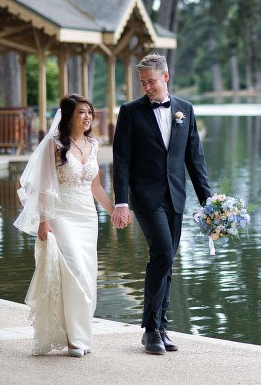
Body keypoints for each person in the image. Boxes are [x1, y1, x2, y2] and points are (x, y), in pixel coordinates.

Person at [111, 53, 211, 355]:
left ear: (165, 77)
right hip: (145, 198)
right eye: (142, 83)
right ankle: (150, 329)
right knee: (163, 253)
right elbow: (122, 160)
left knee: (168, 261)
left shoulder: (186, 110)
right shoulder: (129, 112)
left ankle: (161, 325)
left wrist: (209, 203)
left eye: (151, 81)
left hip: (176, 196)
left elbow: (195, 159)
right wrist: (122, 202)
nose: (147, 87)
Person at [15, 94, 114, 358]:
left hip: (87, 217)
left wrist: (114, 211)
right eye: (82, 112)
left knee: (89, 275)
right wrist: (44, 220)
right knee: (76, 273)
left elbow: (95, 186)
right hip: (63, 215)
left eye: (90, 112)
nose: (88, 117)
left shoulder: (93, 144)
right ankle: (74, 340)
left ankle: (80, 335)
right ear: (69, 115)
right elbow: (46, 186)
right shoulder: (55, 145)